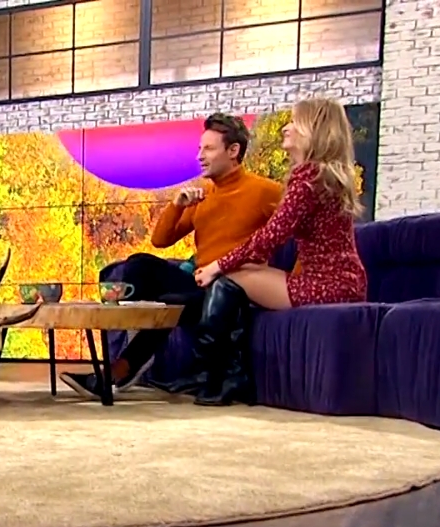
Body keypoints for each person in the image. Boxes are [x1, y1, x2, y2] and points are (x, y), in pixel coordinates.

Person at [61, 112, 283, 400]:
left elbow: (304, 230)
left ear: (233, 151)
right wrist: (177, 205)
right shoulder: (203, 194)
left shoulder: (265, 191)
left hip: (234, 288)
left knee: (176, 301)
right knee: (140, 265)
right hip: (200, 281)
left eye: (209, 149)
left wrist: (292, 280)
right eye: (200, 149)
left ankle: (118, 371)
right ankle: (131, 331)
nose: (200, 156)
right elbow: (161, 240)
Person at [190, 97, 369, 406]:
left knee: (229, 277)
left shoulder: (308, 178)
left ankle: (218, 375)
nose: (286, 127)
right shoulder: (323, 174)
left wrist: (217, 265)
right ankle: (226, 376)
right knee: (242, 273)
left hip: (327, 285)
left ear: (312, 131)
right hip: (344, 282)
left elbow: (270, 238)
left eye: (295, 122)